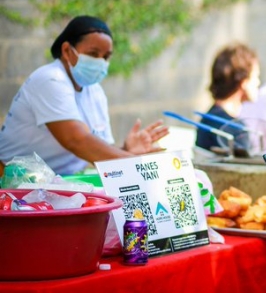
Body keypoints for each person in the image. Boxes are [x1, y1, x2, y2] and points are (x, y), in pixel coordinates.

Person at [0, 16, 169, 177]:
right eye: (93, 54)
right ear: (67, 50)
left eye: (106, 56)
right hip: (12, 181)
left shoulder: (95, 91)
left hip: (59, 182)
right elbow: (77, 140)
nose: (101, 62)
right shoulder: (50, 79)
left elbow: (98, 153)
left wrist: (126, 150)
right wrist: (139, 165)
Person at [195, 42, 261, 155]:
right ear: (243, 82)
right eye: (256, 77)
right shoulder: (234, 129)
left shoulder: (207, 118)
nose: (258, 82)